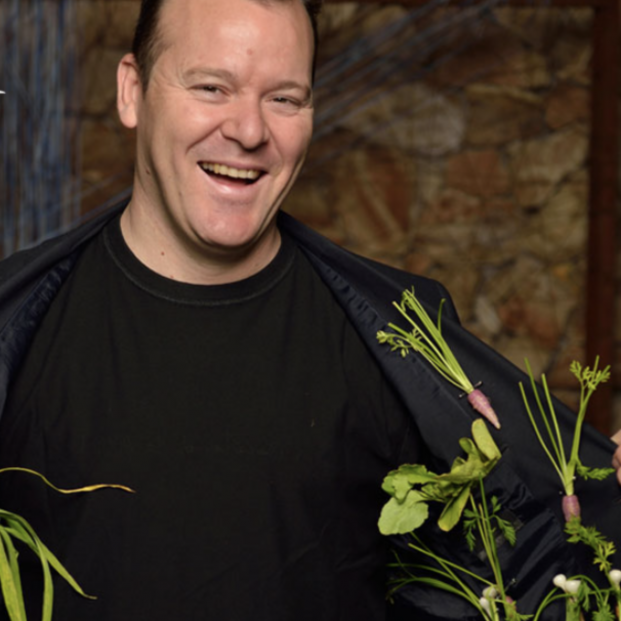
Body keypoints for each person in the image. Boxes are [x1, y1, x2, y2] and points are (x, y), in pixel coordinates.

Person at [0, 0, 619, 620]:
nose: (248, 130)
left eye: (285, 99)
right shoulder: (16, 324)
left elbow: (537, 549)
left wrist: (611, 490)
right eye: (213, 87)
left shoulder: (404, 341)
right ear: (132, 91)